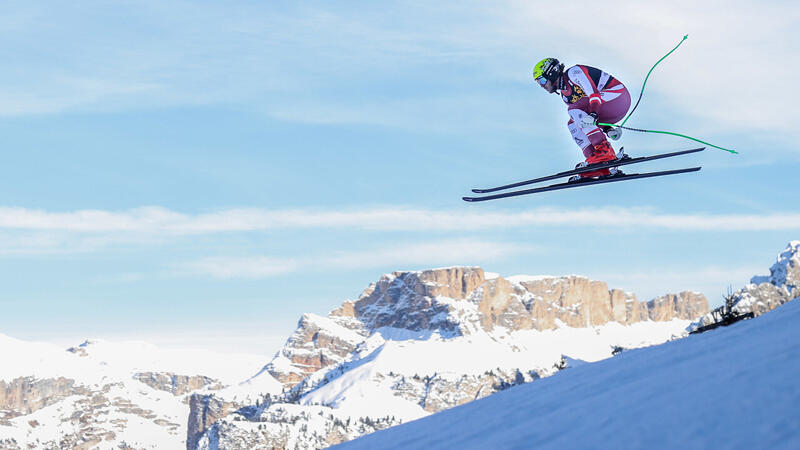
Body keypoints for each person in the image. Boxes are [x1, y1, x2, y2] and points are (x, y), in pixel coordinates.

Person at [533, 58, 631, 179]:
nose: (542, 86)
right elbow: (584, 118)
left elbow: (593, 94)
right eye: (538, 83)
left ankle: (604, 150)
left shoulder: (574, 73)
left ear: (551, 73)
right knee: (572, 124)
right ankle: (596, 163)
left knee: (573, 109)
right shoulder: (565, 96)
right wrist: (607, 129)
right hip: (605, 109)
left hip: (619, 97)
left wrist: (594, 114)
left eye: (542, 80)